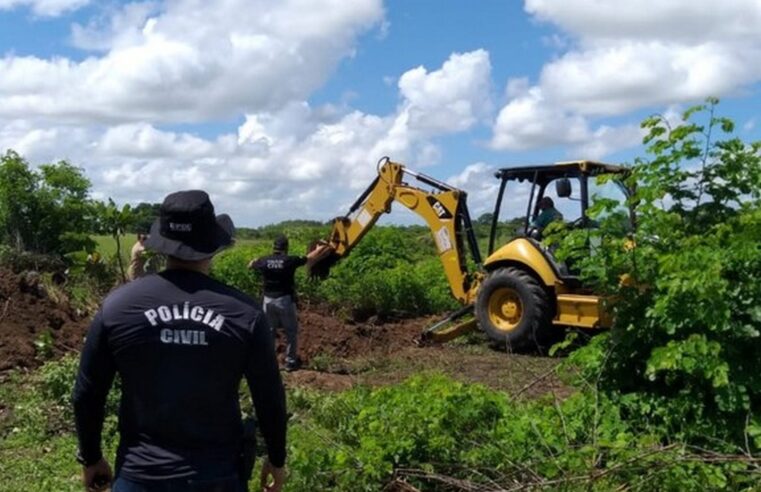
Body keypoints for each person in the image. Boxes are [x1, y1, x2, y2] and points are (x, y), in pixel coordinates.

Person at [72, 190, 287, 492]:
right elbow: (270, 398)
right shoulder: (245, 314)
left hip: (140, 475)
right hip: (218, 476)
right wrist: (276, 458)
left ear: (162, 245)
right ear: (213, 245)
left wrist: (91, 457)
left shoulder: (117, 307)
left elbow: (87, 393)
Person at [248, 235, 325, 372]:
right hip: (284, 300)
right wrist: (320, 248)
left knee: (269, 332)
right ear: (286, 248)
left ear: (274, 247)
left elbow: (251, 265)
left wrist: (255, 262)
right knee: (291, 332)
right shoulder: (290, 260)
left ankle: (269, 362)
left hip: (267, 301)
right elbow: (309, 258)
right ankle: (290, 362)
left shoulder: (264, 260)